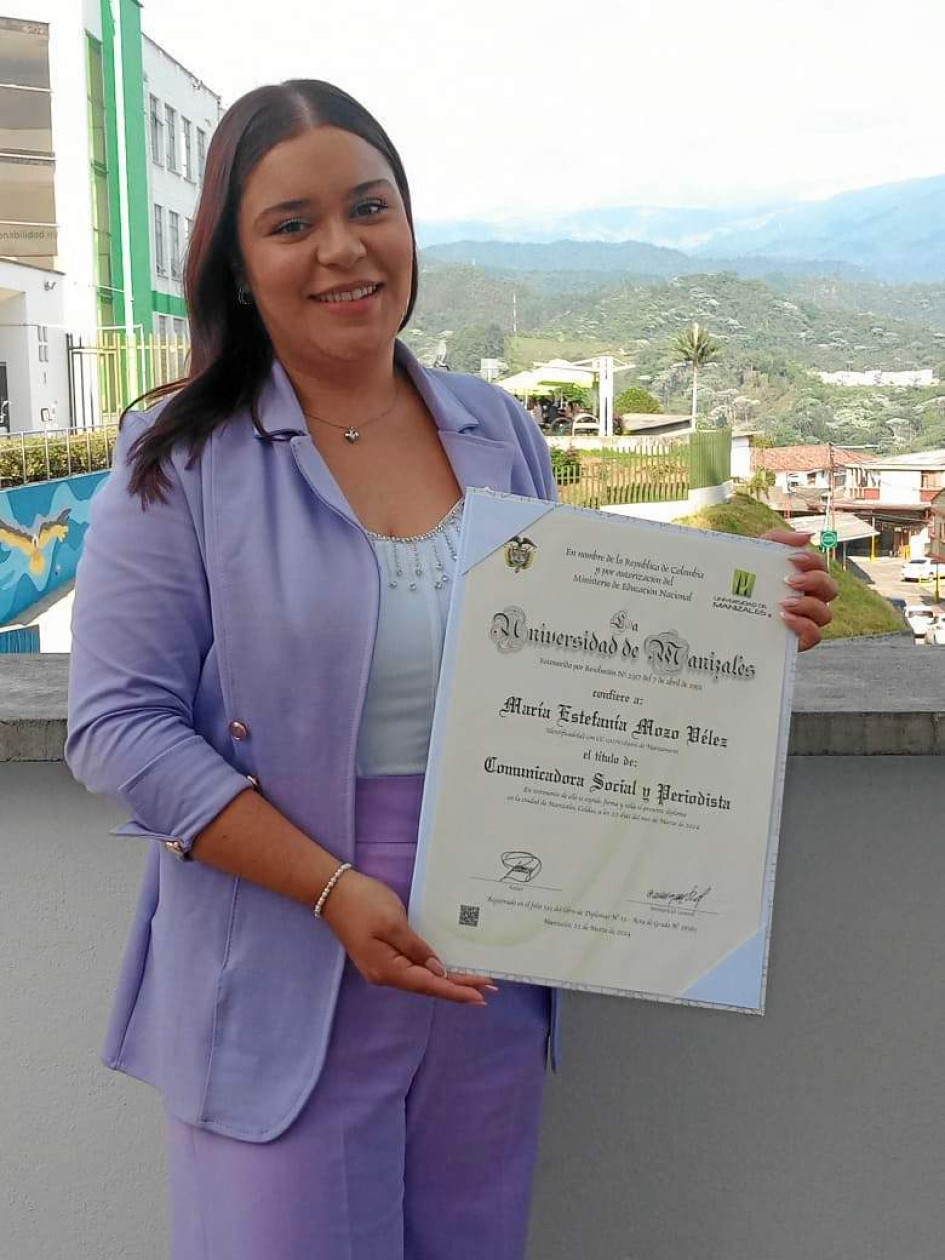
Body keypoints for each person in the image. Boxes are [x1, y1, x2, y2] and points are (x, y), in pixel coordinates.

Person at [64, 80, 838, 1260]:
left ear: (411, 225)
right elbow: (119, 726)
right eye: (290, 224)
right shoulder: (178, 458)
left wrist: (743, 624)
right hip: (288, 957)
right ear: (232, 262)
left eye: (371, 206)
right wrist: (333, 889)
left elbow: (573, 650)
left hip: (496, 946)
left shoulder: (496, 429)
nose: (342, 249)